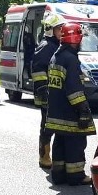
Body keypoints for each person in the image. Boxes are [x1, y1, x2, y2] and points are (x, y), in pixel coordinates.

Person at [45, 22, 95, 185]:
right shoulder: (71, 59)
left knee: (60, 142)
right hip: (69, 112)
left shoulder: (56, 56)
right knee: (76, 143)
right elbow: (74, 89)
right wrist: (83, 110)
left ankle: (59, 174)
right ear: (76, 38)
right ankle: (76, 175)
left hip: (56, 112)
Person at [32, 12, 67, 169]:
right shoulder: (46, 46)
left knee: (54, 125)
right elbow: (38, 69)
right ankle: (44, 156)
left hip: (54, 94)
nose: (62, 32)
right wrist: (43, 90)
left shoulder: (56, 45)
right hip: (47, 95)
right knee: (46, 127)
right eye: (59, 29)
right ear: (50, 30)